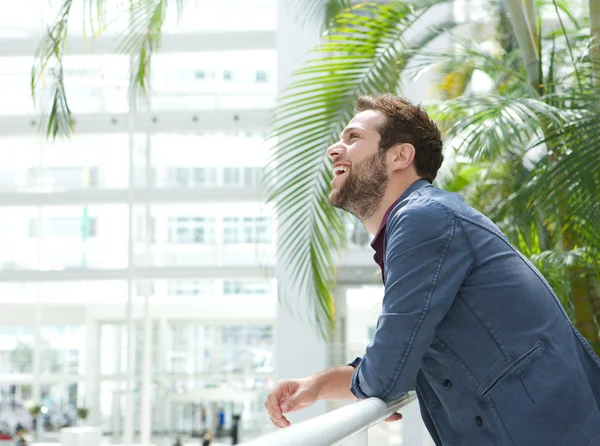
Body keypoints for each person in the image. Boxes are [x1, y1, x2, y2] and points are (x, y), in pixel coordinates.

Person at [264, 93, 600, 445]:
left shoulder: (422, 218)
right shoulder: (423, 220)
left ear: (400, 156)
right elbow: (403, 350)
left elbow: (388, 373)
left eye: (353, 138)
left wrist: (368, 383)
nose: (334, 150)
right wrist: (316, 386)